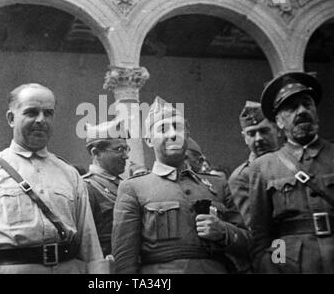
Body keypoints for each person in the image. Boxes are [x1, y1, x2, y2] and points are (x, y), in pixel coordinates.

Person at [0, 83, 107, 274]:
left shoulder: (69, 174)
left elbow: (90, 246)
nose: (41, 120)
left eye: (48, 113)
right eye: (31, 112)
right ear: (11, 118)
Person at [112, 96, 251, 274]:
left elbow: (248, 242)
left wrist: (223, 231)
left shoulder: (217, 185)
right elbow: (124, 261)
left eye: (177, 127)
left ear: (186, 135)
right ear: (148, 140)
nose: (172, 134)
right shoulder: (134, 188)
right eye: (163, 129)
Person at [249, 72, 334, 273]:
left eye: (307, 104)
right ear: (279, 121)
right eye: (292, 107)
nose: (302, 111)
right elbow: (262, 233)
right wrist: (272, 265)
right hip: (292, 263)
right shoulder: (264, 167)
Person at [229, 101, 281, 226]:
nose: (258, 138)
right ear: (245, 138)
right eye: (251, 134)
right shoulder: (242, 177)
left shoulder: (293, 162)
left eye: (264, 131)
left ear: (278, 130)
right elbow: (253, 226)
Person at [82, 119, 129, 256]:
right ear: (95, 153)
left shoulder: (125, 184)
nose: (126, 156)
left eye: (126, 149)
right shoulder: (86, 187)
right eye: (119, 149)